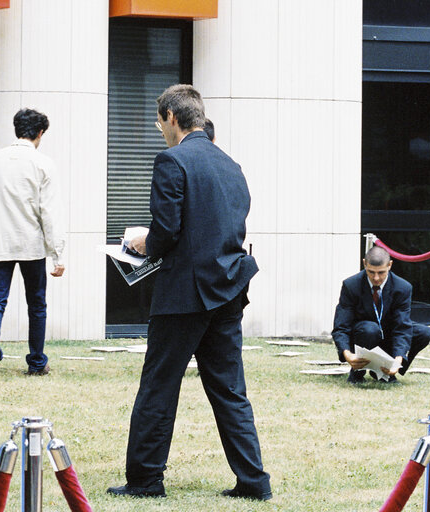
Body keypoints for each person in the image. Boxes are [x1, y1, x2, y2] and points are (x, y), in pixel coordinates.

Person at [107, 85, 272, 501]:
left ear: (171, 118)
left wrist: (142, 242)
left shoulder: (171, 161)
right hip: (228, 290)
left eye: (159, 121)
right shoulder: (232, 165)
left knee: (159, 386)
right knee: (230, 390)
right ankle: (254, 481)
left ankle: (145, 480)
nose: (160, 129)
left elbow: (166, 234)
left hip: (184, 294)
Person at [0, 108, 65, 382]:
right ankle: (36, 362)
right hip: (31, 244)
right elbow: (50, 212)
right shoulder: (43, 164)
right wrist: (57, 253)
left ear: (16, 129)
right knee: (37, 304)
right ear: (40, 133)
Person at [332, 246, 430, 383]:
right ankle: (357, 372)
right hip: (363, 335)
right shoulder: (351, 285)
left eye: (381, 272)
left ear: (390, 265)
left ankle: (387, 371)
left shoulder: (403, 288)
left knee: (423, 332)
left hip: (388, 335)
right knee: (369, 329)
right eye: (371, 272)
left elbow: (402, 326)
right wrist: (347, 354)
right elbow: (341, 325)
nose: (376, 278)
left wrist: (398, 359)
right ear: (364, 264)